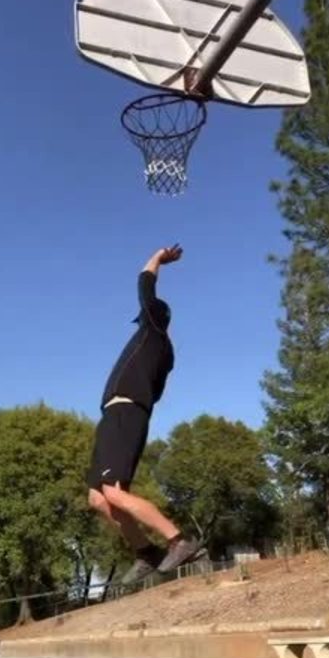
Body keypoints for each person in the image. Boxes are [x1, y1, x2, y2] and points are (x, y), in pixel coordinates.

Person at [87, 245, 202, 584]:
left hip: (126, 412)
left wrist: (157, 257)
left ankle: (179, 540)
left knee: (114, 493)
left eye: (141, 317)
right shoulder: (160, 353)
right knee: (98, 498)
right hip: (115, 416)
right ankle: (147, 553)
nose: (137, 323)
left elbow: (144, 284)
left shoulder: (153, 330)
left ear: (153, 315)